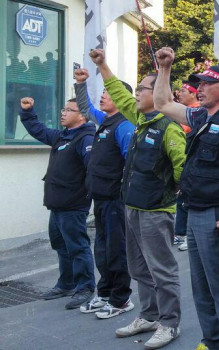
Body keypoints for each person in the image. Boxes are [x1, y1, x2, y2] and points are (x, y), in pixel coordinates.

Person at [153, 48, 219, 350]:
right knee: (201, 287)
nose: (198, 88)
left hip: (216, 214)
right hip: (195, 210)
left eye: (206, 83)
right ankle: (212, 342)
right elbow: (162, 103)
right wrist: (164, 68)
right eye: (198, 83)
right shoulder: (200, 116)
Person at [88, 49, 186, 348]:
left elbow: (183, 170)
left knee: (162, 270)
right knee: (139, 268)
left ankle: (170, 323)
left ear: (158, 93)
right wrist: (102, 64)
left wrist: (171, 195)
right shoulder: (141, 119)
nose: (137, 92)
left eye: (143, 88)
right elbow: (119, 93)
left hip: (156, 211)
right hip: (132, 207)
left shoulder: (169, 127)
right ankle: (149, 315)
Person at [20, 96, 96, 310]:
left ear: (82, 116)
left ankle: (85, 287)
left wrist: (86, 195)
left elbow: (92, 170)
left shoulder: (86, 139)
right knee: (61, 245)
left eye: (69, 110)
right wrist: (28, 112)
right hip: (57, 203)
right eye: (63, 109)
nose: (63, 113)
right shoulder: (63, 136)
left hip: (73, 204)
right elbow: (38, 130)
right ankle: (67, 283)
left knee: (77, 247)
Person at [72, 70, 135, 315]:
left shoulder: (124, 125)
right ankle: (105, 292)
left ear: (121, 98)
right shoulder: (106, 120)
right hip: (100, 198)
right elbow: (85, 108)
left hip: (115, 200)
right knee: (102, 249)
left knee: (117, 250)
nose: (103, 96)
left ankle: (121, 299)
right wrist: (81, 83)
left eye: (108, 93)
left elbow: (131, 163)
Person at [174, 80, 200, 252]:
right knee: (181, 200)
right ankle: (181, 233)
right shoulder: (184, 111)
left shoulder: (195, 113)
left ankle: (186, 235)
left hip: (189, 163)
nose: (179, 93)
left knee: (186, 200)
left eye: (184, 91)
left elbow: (181, 131)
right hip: (184, 163)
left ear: (193, 94)